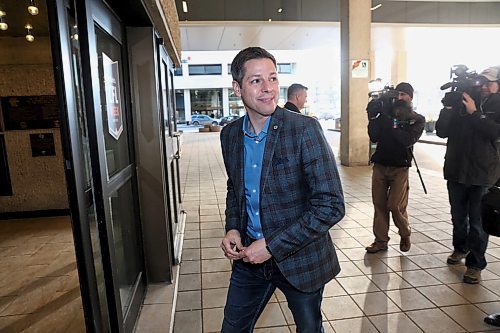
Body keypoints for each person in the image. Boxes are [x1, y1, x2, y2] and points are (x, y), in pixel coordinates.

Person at [219, 47, 345, 333]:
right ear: (237, 88)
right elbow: (235, 188)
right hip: (249, 257)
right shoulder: (230, 135)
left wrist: (272, 246)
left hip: (300, 259)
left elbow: (331, 206)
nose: (268, 89)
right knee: (233, 328)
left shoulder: (304, 130)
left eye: (273, 78)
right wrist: (233, 228)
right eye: (256, 81)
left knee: (309, 329)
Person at [436, 66, 500, 284]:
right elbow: (442, 131)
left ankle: (475, 264)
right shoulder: (461, 103)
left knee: (478, 223)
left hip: (483, 173)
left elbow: (495, 132)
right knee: (458, 217)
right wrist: (448, 108)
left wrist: (475, 113)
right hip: (456, 170)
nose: (483, 86)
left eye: (489, 82)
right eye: (481, 82)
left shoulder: (496, 105)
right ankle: (459, 249)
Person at [365, 82, 425, 254]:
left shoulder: (416, 119)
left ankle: (405, 232)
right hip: (380, 165)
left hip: (400, 167)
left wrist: (391, 121)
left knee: (395, 205)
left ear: (410, 97)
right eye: (397, 94)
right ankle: (381, 240)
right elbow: (374, 137)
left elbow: (406, 140)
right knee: (379, 204)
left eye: (403, 94)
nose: (399, 98)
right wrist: (372, 117)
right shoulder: (385, 115)